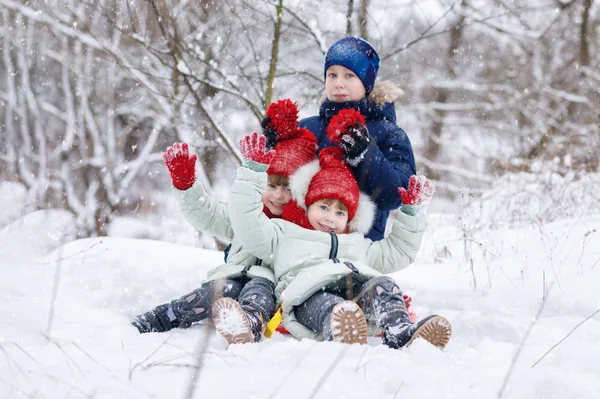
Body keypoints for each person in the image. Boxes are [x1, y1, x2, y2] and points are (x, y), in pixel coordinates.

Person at [222, 128, 452, 350]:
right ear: (307, 204)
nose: (331, 218)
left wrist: (412, 214)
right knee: (330, 306)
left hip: (355, 293)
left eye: (340, 212)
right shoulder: (284, 233)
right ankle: (340, 329)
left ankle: (400, 330)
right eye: (324, 207)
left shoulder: (356, 243)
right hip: (308, 296)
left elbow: (399, 252)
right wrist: (251, 173)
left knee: (385, 286)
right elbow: (248, 223)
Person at [132, 103, 318, 345]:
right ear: (261, 183)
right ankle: (163, 316)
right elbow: (208, 214)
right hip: (232, 275)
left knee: (259, 290)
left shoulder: (300, 231)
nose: (278, 196)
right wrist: (186, 185)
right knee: (214, 292)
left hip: (270, 289)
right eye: (272, 186)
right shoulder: (245, 216)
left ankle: (249, 323)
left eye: (288, 189)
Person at [262, 36, 416, 241]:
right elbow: (277, 185)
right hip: (294, 243)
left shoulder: (390, 134)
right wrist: (274, 147)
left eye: (349, 76)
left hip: (356, 251)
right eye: (332, 75)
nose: (339, 84)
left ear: (367, 83)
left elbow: (396, 196)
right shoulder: (308, 127)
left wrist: (365, 154)